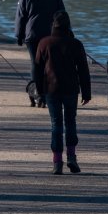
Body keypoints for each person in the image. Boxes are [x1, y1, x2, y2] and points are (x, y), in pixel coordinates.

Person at [34, 11, 91, 175]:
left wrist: (39, 90)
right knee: (70, 122)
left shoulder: (44, 43)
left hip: (51, 89)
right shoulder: (76, 44)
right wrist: (86, 93)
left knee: (55, 124)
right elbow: (83, 71)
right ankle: (72, 157)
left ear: (53, 25)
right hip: (71, 89)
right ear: (69, 25)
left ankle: (57, 162)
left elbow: (37, 69)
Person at [14, 0, 65, 106]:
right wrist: (66, 32)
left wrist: (19, 34)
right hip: (50, 34)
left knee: (35, 64)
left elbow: (21, 14)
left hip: (32, 34)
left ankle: (39, 94)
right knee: (49, 64)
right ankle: (50, 93)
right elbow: (61, 14)